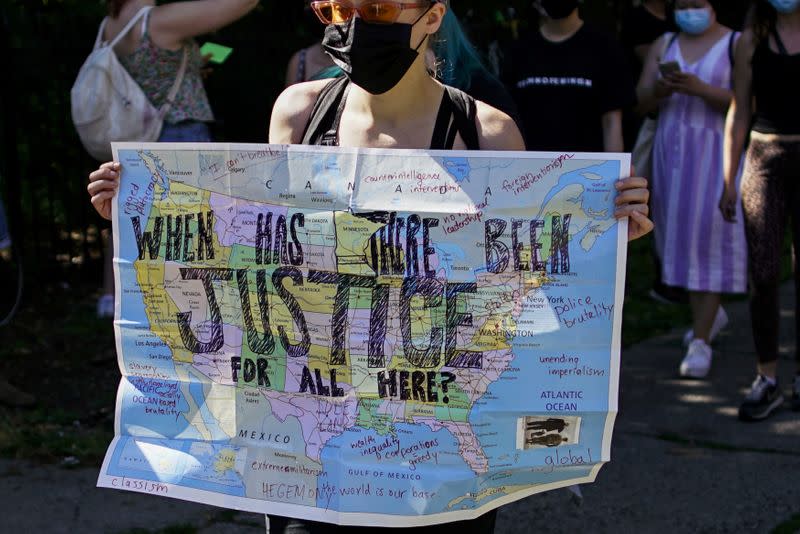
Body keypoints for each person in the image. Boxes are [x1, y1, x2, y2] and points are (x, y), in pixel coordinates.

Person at [88, 1, 653, 531]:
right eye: (338, 9)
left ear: (432, 15)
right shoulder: (298, 112)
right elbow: (257, 253)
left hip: (436, 465)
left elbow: (526, 282)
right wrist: (141, 206)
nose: (356, 26)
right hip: (313, 452)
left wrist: (601, 232)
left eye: (379, 9)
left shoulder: (486, 132)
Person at [95, 0, 259, 317]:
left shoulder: (110, 25)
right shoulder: (154, 21)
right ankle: (191, 311)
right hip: (176, 138)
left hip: (134, 141)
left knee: (129, 224)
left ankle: (115, 299)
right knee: (188, 234)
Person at [637, 0, 746, 379]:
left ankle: (701, 341)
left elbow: (747, 104)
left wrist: (701, 89)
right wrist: (662, 89)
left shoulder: (737, 43)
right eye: (682, 5)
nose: (689, 11)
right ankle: (709, 316)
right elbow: (641, 100)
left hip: (717, 156)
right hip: (673, 156)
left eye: (696, 3)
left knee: (709, 240)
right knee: (676, 241)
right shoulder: (664, 44)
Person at [721, 0, 800, 421]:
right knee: (764, 271)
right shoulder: (750, 40)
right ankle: (765, 377)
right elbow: (739, 109)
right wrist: (728, 178)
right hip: (763, 155)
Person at [503, 0, 637, 152]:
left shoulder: (605, 48)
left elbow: (612, 122)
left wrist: (615, 172)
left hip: (588, 169)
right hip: (534, 170)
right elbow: (509, 120)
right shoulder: (519, 51)